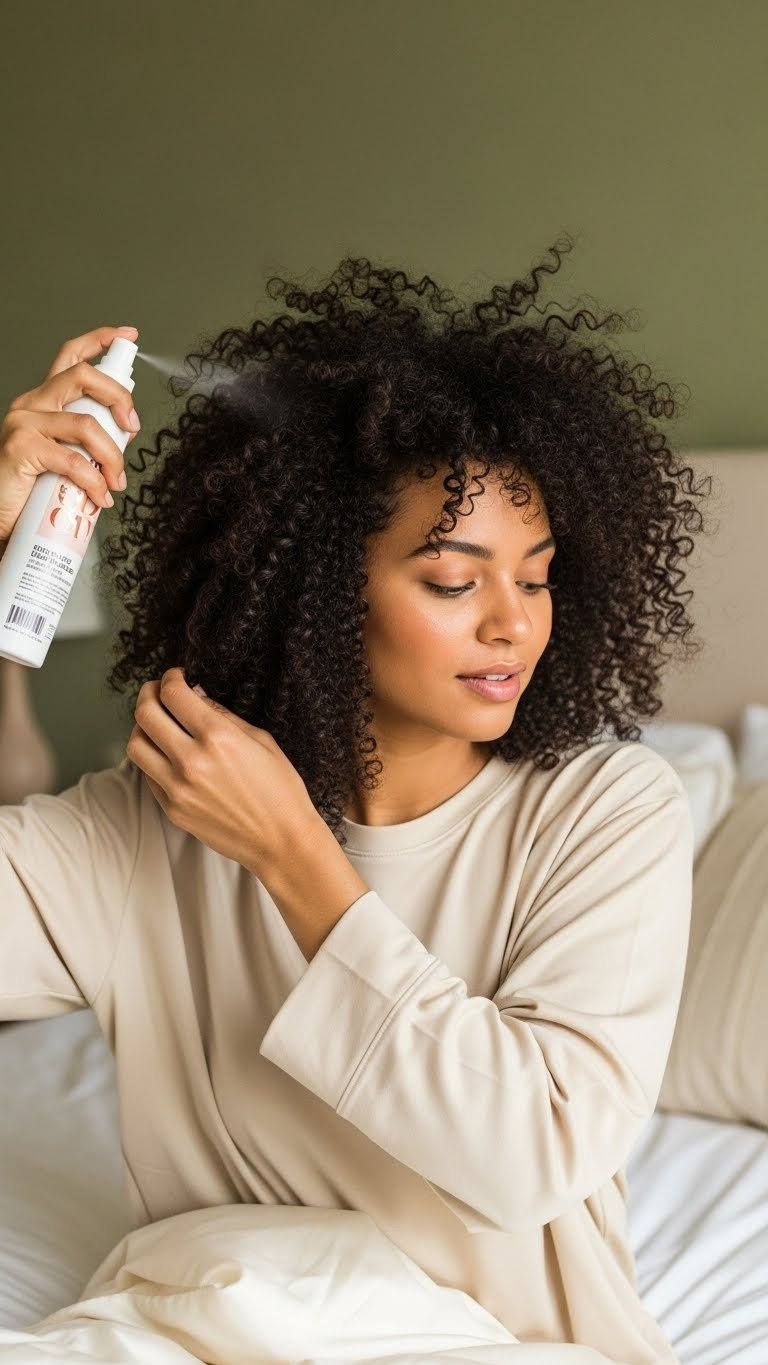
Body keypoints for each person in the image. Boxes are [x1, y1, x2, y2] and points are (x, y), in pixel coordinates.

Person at [0, 241, 714, 1363]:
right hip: (215, 1321)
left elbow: (528, 1154)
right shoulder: (158, 823)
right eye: (451, 578)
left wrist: (296, 859)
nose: (513, 622)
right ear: (317, 590)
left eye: (534, 575)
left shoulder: (607, 812)